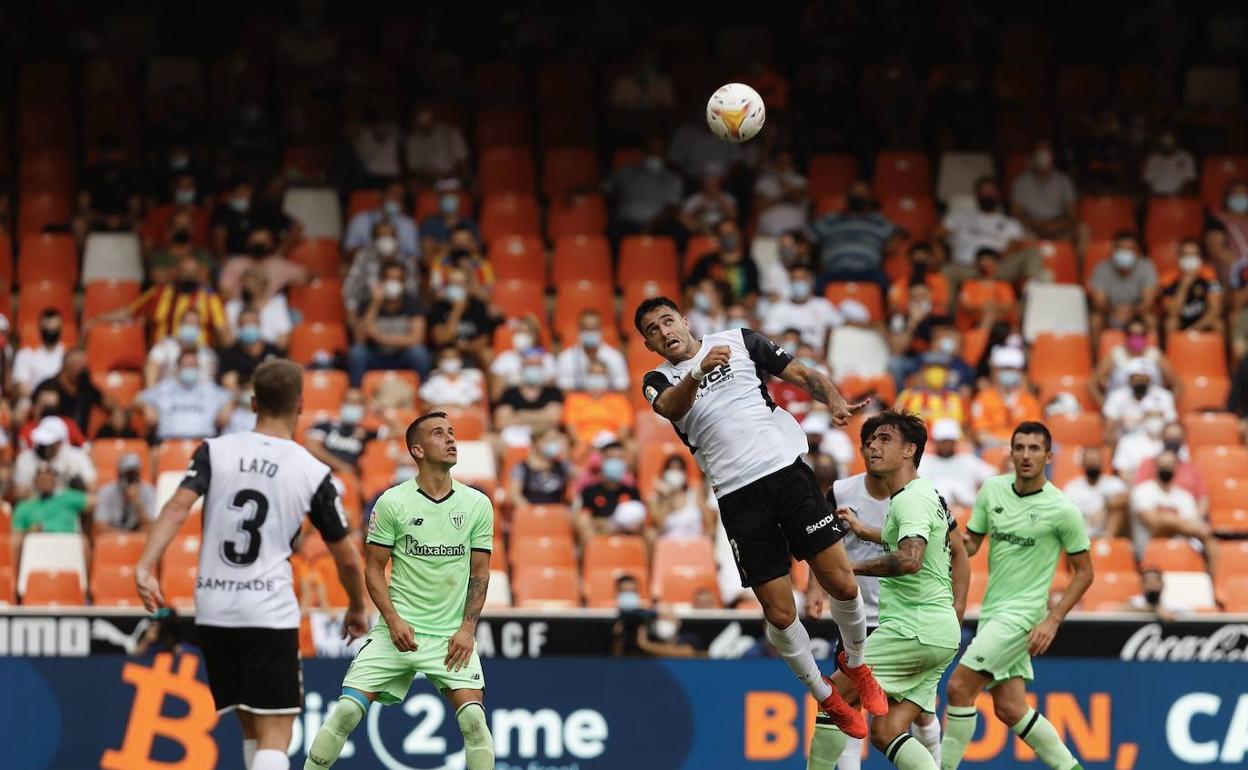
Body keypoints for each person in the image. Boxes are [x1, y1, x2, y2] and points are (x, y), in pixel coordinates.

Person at [633, 296, 882, 737]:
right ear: (650, 346)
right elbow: (672, 408)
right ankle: (827, 696)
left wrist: (834, 401)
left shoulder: (738, 340)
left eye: (667, 320)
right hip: (737, 496)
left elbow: (803, 373)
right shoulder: (659, 380)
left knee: (842, 582)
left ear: (685, 320)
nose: (663, 331)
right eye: (652, 330)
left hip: (786, 473)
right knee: (781, 614)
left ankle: (857, 664)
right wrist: (699, 370)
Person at [135, 359, 368, 770]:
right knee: (277, 733)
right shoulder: (311, 470)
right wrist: (355, 605)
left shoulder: (215, 450)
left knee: (250, 727)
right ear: (299, 405)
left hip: (213, 609)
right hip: (267, 610)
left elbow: (176, 507)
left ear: (254, 402)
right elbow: (347, 558)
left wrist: (145, 566)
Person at [301, 412, 496, 770]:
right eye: (440, 434)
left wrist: (467, 629)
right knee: (345, 712)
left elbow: (480, 574)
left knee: (474, 722)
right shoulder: (392, 502)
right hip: (397, 630)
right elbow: (373, 568)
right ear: (417, 450)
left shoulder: (477, 504)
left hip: (450, 637)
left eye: (452, 433)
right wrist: (392, 621)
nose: (451, 439)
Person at [806, 411, 962, 770]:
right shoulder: (920, 495)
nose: (873, 445)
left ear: (910, 449)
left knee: (834, 697)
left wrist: (848, 567)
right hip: (937, 633)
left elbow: (910, 559)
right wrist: (867, 533)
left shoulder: (910, 500)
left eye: (885, 439)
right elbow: (917, 541)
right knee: (886, 731)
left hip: (914, 628)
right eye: (871, 440)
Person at [939, 422, 1093, 770]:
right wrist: (945, 534)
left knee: (959, 689)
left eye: (1034, 448)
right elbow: (972, 545)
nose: (1025, 455)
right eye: (1019, 447)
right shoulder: (992, 490)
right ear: (1010, 453)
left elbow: (1085, 572)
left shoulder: (1062, 508)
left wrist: (1052, 620)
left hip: (1023, 617)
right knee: (1010, 708)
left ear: (1049, 456)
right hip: (993, 611)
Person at [1127, 449, 1216, 569]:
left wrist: (1169, 521)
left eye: (1170, 464)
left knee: (1210, 542)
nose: (1166, 467)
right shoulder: (1142, 491)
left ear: (1177, 467)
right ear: (1155, 466)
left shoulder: (1185, 496)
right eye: (1163, 464)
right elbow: (1154, 524)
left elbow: (1197, 526)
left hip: (1184, 552)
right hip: (1148, 554)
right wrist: (1176, 523)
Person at [348, 260, 433, 385]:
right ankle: (355, 394)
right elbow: (359, 338)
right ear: (381, 281)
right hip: (375, 355)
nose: (393, 283)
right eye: (389, 278)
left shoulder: (413, 303)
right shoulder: (368, 303)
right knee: (357, 352)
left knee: (419, 353)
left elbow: (416, 339)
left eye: (398, 279)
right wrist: (375, 304)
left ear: (403, 283)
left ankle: (424, 394)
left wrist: (379, 337)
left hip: (401, 356)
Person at [809, 180, 902, 290]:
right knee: (816, 286)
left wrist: (893, 242)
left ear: (869, 197)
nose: (858, 196)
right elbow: (805, 236)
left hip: (868, 272)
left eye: (862, 193)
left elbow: (900, 232)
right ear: (847, 195)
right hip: (834, 271)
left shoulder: (877, 221)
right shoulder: (831, 220)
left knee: (886, 286)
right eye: (855, 192)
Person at [137, 350, 236, 441]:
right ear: (178, 368)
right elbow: (137, 399)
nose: (190, 369)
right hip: (168, 443)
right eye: (187, 365)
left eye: (193, 366)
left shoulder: (209, 389)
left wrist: (228, 408)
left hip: (203, 443)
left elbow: (232, 396)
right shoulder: (165, 388)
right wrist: (147, 407)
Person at [1089, 315, 1179, 405]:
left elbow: (1178, 385)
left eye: (1141, 334)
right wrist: (1106, 408)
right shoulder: (1116, 355)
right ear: (1126, 336)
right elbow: (1091, 384)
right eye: (1133, 334)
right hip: (1121, 411)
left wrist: (1166, 407)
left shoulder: (1155, 356)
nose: (1137, 338)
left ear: (1146, 336)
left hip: (1150, 411)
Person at [763, 264, 844, 358]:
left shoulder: (823, 305)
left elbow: (840, 324)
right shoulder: (778, 308)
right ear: (789, 282)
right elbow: (770, 338)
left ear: (810, 280)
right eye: (795, 279)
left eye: (802, 278)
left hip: (816, 361)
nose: (799, 282)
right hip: (787, 362)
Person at [13, 463, 94, 556]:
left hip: (67, 542)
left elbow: (95, 502)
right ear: (35, 481)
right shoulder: (24, 506)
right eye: (41, 479)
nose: (45, 482)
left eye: (48, 478)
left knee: (83, 542)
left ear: (55, 480)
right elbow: (16, 536)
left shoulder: (68, 496)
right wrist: (29, 532)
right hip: (37, 544)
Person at [1088, 232, 1158, 337]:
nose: (1125, 252)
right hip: (1110, 312)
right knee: (1095, 320)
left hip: (1137, 312)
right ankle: (1095, 353)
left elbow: (1148, 302)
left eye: (1130, 249)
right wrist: (1114, 311)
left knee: (1150, 319)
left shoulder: (1146, 267)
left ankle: (1152, 353)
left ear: (1137, 252)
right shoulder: (1101, 268)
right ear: (1113, 250)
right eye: (1121, 249)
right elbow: (1099, 302)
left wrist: (1132, 311)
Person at [916, 418, 997, 509]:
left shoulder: (967, 460)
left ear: (955, 441)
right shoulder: (924, 462)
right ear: (935, 441)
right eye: (943, 441)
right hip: (934, 512)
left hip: (967, 510)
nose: (946, 445)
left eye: (949, 441)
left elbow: (993, 477)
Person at [427, 267, 500, 365]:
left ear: (466, 286)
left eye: (459, 284)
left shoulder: (478, 306)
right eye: (452, 284)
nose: (455, 288)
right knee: (449, 354)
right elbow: (441, 339)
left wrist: (467, 347)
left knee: (487, 354)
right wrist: (456, 311)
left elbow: (484, 340)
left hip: (472, 349)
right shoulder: (439, 307)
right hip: (447, 351)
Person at [971, 346, 1041, 447]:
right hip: (992, 449)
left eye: (1013, 369)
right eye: (1004, 369)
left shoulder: (1029, 401)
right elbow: (981, 435)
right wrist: (1006, 445)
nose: (1009, 372)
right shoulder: (982, 399)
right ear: (994, 371)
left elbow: (1035, 434)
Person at [1010, 139, 1078, 242]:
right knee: (1016, 232)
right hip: (1032, 226)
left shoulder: (1064, 181)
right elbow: (1016, 213)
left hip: (1058, 225)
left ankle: (1080, 258)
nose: (1043, 156)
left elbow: (1072, 213)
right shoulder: (1021, 182)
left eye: (1046, 151)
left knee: (1082, 230)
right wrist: (1037, 224)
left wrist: (1058, 225)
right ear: (1033, 156)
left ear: (1053, 156)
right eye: (1040, 152)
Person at [576, 442, 645, 544]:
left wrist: (612, 525)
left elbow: (637, 520)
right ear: (602, 461)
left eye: (619, 459)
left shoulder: (632, 491)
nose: (615, 462)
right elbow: (584, 518)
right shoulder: (589, 491)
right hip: (598, 535)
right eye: (611, 458)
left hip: (625, 535)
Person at [12, 416, 96, 500]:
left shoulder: (77, 457)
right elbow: (19, 493)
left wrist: (73, 486)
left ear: (59, 442)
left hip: (68, 506)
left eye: (48, 443)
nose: (43, 446)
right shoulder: (26, 458)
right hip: (36, 506)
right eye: (40, 442)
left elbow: (92, 489)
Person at [687, 219, 761, 307]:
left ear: (740, 235)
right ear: (717, 237)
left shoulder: (749, 264)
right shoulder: (706, 262)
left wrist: (739, 309)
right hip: (708, 313)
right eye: (723, 232)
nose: (728, 235)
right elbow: (689, 290)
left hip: (739, 314)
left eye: (731, 232)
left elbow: (753, 295)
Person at [305, 389, 377, 476]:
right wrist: (343, 467)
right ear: (341, 404)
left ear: (363, 407)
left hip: (347, 480)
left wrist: (379, 412)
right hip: (322, 474)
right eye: (348, 401)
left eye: (356, 402)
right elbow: (312, 447)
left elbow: (395, 431)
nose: (351, 406)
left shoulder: (365, 432)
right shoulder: (324, 425)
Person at [563, 360, 634, 446]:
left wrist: (609, 446)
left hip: (612, 445)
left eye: (600, 374)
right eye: (592, 373)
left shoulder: (620, 401)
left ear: (607, 378)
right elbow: (572, 431)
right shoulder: (573, 400)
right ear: (586, 376)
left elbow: (624, 430)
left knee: (631, 446)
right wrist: (588, 446)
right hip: (583, 445)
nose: (596, 377)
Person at [31, 350, 102, 437]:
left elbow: (106, 401)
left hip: (80, 441)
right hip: (55, 439)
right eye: (81, 368)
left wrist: (117, 411)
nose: (85, 371)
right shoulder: (48, 387)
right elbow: (36, 416)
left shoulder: (86, 387)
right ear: (68, 368)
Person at [555, 309, 629, 392]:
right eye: (586, 329)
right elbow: (565, 393)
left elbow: (622, 390)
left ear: (600, 330)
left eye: (593, 329)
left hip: (608, 403)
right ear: (579, 330)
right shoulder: (565, 358)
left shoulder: (615, 357)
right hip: (578, 404)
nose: (590, 332)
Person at [1159, 239, 1224, 334]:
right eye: (1186, 254)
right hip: (1180, 319)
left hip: (1202, 319)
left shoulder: (1210, 275)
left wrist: (1195, 329)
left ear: (1200, 258)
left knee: (1219, 324)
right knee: (1170, 323)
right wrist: (1184, 286)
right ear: (1179, 257)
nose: (1189, 258)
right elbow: (1172, 312)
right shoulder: (1167, 278)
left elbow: (1215, 310)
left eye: (1193, 254)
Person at [343, 180, 420, 260]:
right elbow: (348, 252)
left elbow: (414, 257)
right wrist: (373, 251)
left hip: (397, 268)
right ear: (382, 195)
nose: (395, 199)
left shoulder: (408, 225)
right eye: (392, 194)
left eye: (400, 197)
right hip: (366, 266)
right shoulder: (360, 220)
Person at [1062, 448, 1128, 539]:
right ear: (1083, 464)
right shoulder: (1072, 487)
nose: (1094, 464)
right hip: (1082, 529)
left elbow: (1124, 498)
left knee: (1117, 510)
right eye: (1090, 461)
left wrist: (1104, 507)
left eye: (1096, 461)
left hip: (1105, 529)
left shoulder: (1112, 482)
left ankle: (1106, 542)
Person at [143, 308, 219, 387]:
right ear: (180, 325)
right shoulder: (165, 346)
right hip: (168, 394)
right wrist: (151, 392)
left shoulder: (208, 354)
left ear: (199, 329)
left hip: (198, 396)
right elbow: (152, 365)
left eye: (194, 324)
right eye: (188, 323)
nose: (191, 326)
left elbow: (209, 384)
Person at [647, 455, 714, 539]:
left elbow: (711, 527)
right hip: (668, 546)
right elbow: (660, 526)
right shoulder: (655, 499)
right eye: (671, 469)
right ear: (664, 472)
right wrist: (667, 496)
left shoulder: (695, 495)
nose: (674, 473)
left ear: (684, 473)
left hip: (694, 545)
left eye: (678, 469)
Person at [219, 308, 283, 389]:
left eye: (252, 323)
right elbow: (228, 381)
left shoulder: (273, 350)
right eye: (245, 324)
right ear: (239, 326)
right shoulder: (229, 354)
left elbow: (282, 378)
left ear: (259, 324)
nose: (248, 326)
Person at [404, 107, 470, 184]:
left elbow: (462, 162)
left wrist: (448, 175)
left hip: (451, 179)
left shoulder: (450, 132)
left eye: (426, 113)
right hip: (426, 182)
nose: (424, 118)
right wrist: (432, 176)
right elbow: (413, 169)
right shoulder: (413, 140)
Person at [754, 148, 810, 237]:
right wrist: (784, 198)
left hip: (794, 233)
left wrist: (782, 182)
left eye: (786, 162)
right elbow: (760, 205)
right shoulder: (764, 181)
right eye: (780, 162)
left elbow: (796, 198)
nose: (783, 165)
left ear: (793, 164)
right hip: (768, 232)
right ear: (774, 163)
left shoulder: (800, 180)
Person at [93, 453, 157, 532]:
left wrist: (136, 502)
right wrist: (124, 536)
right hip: (113, 536)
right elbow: (100, 527)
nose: (130, 480)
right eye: (127, 475)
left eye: (134, 474)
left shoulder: (149, 491)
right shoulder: (106, 492)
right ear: (119, 475)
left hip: (138, 536)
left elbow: (151, 525)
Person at [508, 428, 572, 507]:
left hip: (556, 514)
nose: (555, 444)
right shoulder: (522, 468)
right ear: (538, 442)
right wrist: (533, 513)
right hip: (532, 514)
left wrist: (566, 452)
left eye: (556, 440)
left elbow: (583, 477)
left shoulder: (562, 465)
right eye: (550, 440)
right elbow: (515, 494)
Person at [956, 248, 1017, 330]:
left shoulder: (1003, 285)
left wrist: (992, 309)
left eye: (988, 260)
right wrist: (983, 308)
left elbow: (1007, 306)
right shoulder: (968, 284)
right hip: (972, 325)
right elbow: (966, 305)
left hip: (999, 325)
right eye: (982, 260)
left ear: (996, 263)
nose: (984, 264)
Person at [12, 309, 65, 399]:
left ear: (61, 328)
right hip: (33, 403)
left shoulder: (68, 354)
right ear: (40, 328)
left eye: (54, 328)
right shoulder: (26, 354)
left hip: (62, 403)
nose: (51, 330)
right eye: (47, 328)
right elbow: (21, 387)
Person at [679, 164, 738, 234]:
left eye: (715, 178)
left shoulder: (727, 197)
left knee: (729, 227)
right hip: (701, 230)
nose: (712, 182)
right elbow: (683, 217)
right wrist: (699, 208)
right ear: (703, 181)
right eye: (709, 179)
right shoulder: (696, 198)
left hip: (721, 231)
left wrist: (719, 198)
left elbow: (733, 215)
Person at [419, 349, 485, 409]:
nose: (450, 360)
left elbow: (476, 405)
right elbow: (424, 405)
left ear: (460, 360)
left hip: (464, 417)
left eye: (454, 357)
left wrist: (460, 408)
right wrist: (443, 408)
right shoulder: (433, 381)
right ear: (439, 361)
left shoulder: (469, 381)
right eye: (447, 358)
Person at [1141, 130, 1197, 196]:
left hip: (1178, 198)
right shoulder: (1153, 158)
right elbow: (1146, 183)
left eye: (1170, 145)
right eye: (1165, 145)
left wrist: (1175, 196)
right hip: (1156, 196)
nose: (1167, 148)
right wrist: (1154, 196)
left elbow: (1190, 182)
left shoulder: (1186, 157)